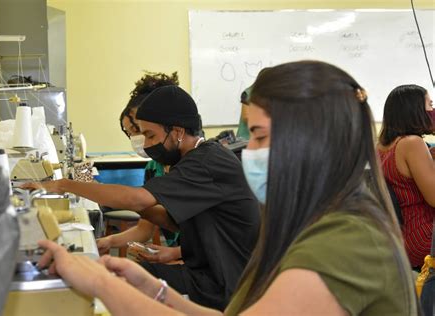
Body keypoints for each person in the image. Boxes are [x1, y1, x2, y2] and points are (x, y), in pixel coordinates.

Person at [36, 60, 418, 315]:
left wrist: (98, 281)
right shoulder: (314, 228)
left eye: (258, 136)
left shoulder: (347, 243)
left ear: (310, 140)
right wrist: (156, 292)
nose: (248, 151)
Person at [24, 85, 260, 310]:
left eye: (149, 135)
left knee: (118, 285)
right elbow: (171, 221)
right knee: (123, 275)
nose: (146, 145)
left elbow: (137, 200)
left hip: (224, 285)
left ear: (177, 132)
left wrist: (64, 185)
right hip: (211, 273)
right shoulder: (193, 160)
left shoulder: (205, 162)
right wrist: (106, 194)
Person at [97, 71, 181, 263]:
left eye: (140, 131)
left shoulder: (190, 167)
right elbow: (145, 229)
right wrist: (107, 241)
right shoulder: (153, 168)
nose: (137, 138)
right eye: (130, 133)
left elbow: (209, 240)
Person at [377, 84, 435, 268]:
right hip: (426, 237)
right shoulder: (412, 143)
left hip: (401, 239)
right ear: (415, 110)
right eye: (430, 105)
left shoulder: (382, 146)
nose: (433, 111)